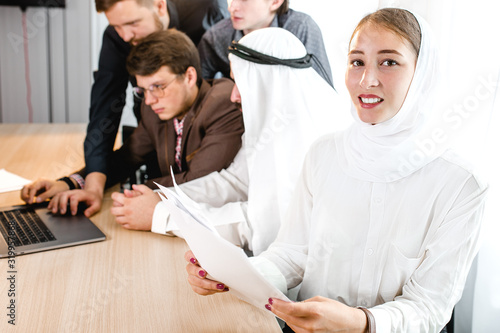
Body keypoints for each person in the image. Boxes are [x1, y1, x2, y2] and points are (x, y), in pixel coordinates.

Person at [185, 8, 488, 333]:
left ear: (423, 73)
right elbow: (291, 255)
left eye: (389, 62)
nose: (366, 80)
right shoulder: (323, 154)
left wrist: (361, 323)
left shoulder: (460, 183)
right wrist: (234, 274)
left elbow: (428, 308)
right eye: (357, 61)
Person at [110, 28, 350, 249]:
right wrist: (166, 197)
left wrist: (163, 216)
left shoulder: (307, 137)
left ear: (267, 83)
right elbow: (233, 182)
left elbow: (260, 226)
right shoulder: (271, 122)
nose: (233, 96)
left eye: (240, 83)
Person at [20, 29, 243, 219]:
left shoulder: (222, 103)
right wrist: (73, 183)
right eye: (143, 90)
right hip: (174, 219)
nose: (149, 100)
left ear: (190, 77)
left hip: (213, 225)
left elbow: (198, 181)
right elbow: (125, 159)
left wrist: (133, 195)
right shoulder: (156, 109)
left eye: (158, 86)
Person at [84, 0, 228, 205]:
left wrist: (143, 194)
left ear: (160, 6)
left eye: (133, 23)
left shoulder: (208, 10)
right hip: (160, 142)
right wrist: (88, 184)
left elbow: (202, 182)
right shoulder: (151, 110)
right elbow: (105, 107)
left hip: (213, 139)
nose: (125, 36)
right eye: (116, 26)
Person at [198, 0, 334, 88]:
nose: (231, 7)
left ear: (275, 2)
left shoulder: (301, 28)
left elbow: (325, 92)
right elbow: (197, 94)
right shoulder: (216, 37)